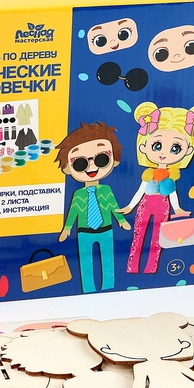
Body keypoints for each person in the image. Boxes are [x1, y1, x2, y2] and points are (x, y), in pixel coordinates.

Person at [118, 101, 194, 274]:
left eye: (175, 148)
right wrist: (130, 206)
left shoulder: (171, 175)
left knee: (157, 237)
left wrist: (178, 208)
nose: (163, 153)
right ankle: (132, 267)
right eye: (157, 145)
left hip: (163, 206)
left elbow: (172, 193)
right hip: (145, 204)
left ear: (188, 150)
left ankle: (151, 268)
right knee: (139, 234)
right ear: (143, 146)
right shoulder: (149, 173)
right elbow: (140, 190)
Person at [55, 122, 130, 293]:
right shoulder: (78, 195)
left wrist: (121, 220)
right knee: (85, 262)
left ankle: (108, 286)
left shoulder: (106, 190)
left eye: (101, 159)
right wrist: (66, 229)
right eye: (80, 163)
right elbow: (73, 212)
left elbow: (113, 206)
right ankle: (88, 288)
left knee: (108, 259)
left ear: (114, 160)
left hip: (106, 229)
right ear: (67, 168)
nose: (91, 166)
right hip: (84, 232)